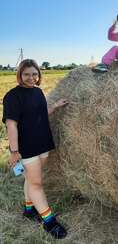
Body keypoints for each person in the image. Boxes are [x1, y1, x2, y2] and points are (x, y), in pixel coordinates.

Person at [2, 59, 68, 239]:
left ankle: (29, 210)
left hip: (43, 142)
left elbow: (40, 113)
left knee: (31, 180)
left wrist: (55, 106)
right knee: (36, 183)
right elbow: (11, 125)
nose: (31, 78)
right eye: (26, 74)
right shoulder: (12, 96)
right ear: (19, 75)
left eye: (34, 74)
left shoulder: (38, 92)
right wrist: (15, 152)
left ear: (38, 75)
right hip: (26, 148)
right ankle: (49, 222)